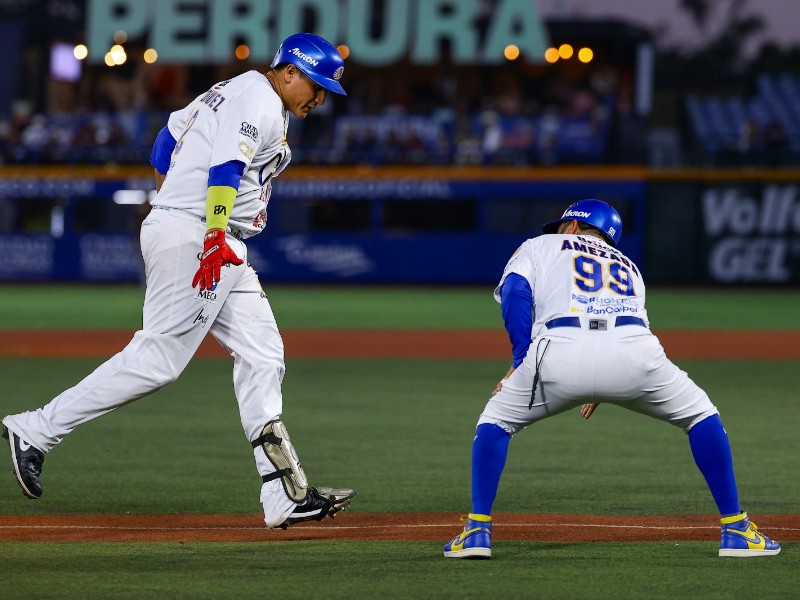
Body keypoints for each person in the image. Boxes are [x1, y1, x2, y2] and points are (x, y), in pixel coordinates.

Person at [2, 33, 355, 529]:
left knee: (263, 354)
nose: (319, 99)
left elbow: (165, 140)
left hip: (210, 235)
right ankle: (35, 430)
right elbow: (227, 166)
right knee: (159, 360)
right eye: (316, 87)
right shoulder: (259, 98)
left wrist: (171, 203)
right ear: (290, 72)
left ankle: (283, 494)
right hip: (203, 237)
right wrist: (204, 229)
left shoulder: (231, 89)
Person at [443, 199, 780, 559]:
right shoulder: (629, 266)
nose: (557, 230)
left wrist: (520, 360)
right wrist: (604, 382)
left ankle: (477, 531)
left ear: (572, 226)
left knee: (496, 420)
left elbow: (515, 292)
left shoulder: (539, 245)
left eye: (561, 225)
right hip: (634, 352)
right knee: (701, 415)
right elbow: (636, 327)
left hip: (559, 350)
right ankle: (736, 529)